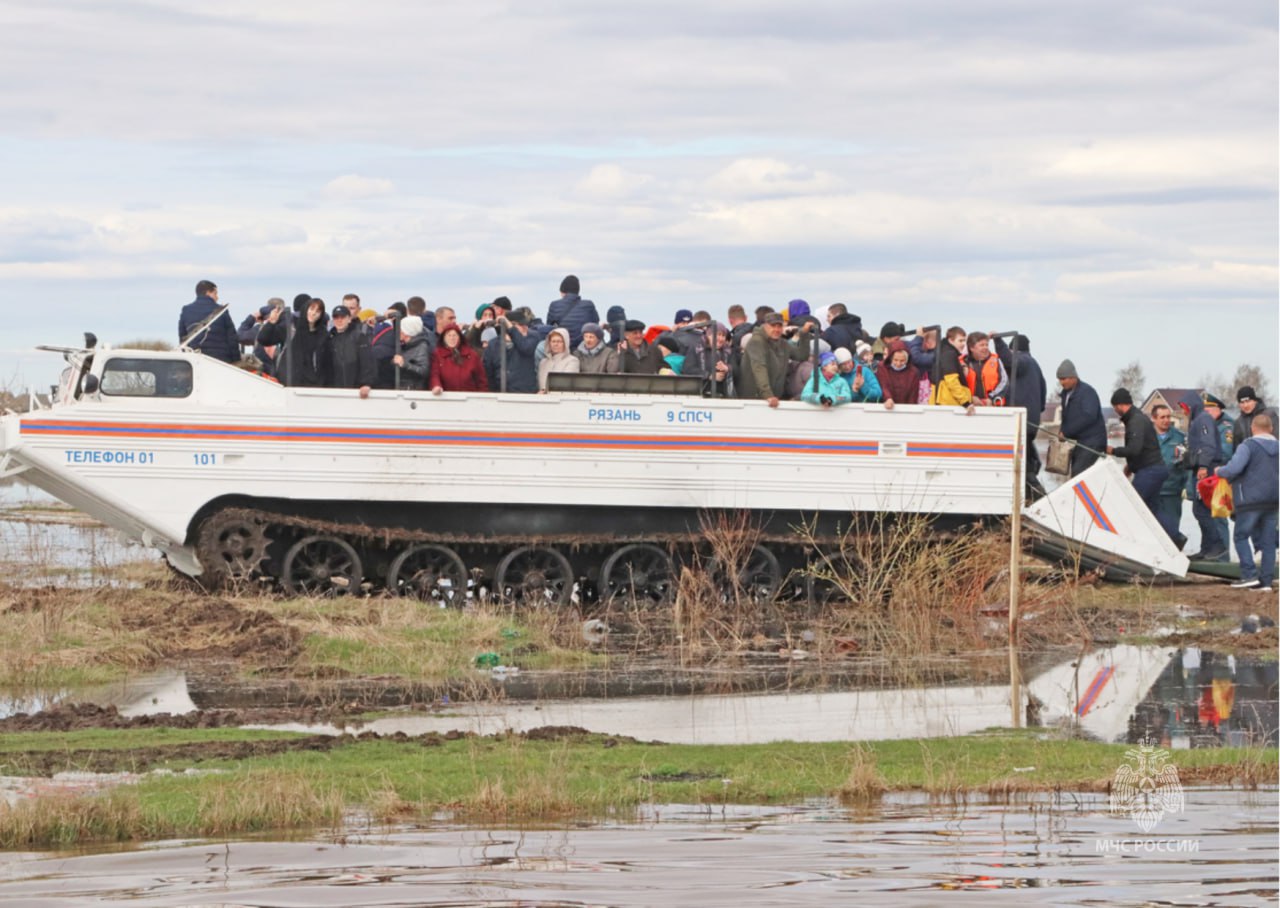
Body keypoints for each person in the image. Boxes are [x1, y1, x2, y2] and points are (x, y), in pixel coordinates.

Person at [1215, 413, 1278, 591]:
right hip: (1273, 500)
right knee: (1269, 542)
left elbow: (1234, 468)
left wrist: (1220, 471)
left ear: (1252, 428)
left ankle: (1249, 575)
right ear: (1271, 429)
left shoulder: (1248, 446)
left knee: (1241, 536)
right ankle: (1266, 582)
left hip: (1249, 500)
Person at [1107, 389, 1175, 539]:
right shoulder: (1137, 419)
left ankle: (1134, 540)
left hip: (1149, 471)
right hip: (1153, 469)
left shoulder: (1136, 421)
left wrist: (1112, 450)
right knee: (1152, 509)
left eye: (1114, 407)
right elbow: (1143, 448)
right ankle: (1175, 539)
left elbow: (1134, 449)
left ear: (1119, 405)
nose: (1115, 411)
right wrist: (1130, 467)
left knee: (1133, 505)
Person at [994, 334, 1048, 499]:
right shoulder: (1035, 366)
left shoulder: (1022, 361)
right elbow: (1043, 397)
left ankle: (1039, 496)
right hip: (1032, 421)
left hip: (1021, 422)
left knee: (1022, 463)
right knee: (1027, 458)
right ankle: (1029, 498)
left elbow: (1010, 361)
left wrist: (997, 340)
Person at [1184, 394, 1228, 561]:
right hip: (1202, 468)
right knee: (1201, 509)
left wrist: (1202, 466)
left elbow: (1209, 445)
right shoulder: (1198, 419)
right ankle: (1206, 548)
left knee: (1201, 510)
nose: (1183, 411)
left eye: (1184, 407)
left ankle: (1216, 545)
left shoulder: (1203, 420)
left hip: (1206, 470)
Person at [741, 313, 813, 407]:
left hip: (773, 400)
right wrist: (768, 395)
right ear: (765, 326)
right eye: (773, 326)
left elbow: (801, 356)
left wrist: (804, 333)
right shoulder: (756, 342)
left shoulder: (783, 344)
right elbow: (759, 368)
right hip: (754, 401)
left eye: (779, 326)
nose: (776, 329)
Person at [259, 297, 328, 387]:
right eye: (311, 309)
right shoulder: (291, 328)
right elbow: (264, 340)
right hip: (287, 383)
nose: (314, 313)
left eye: (318, 311)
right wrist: (271, 323)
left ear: (321, 315)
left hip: (312, 386)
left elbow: (326, 364)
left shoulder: (324, 335)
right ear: (306, 309)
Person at [1056, 359, 1106, 476]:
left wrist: (1067, 432)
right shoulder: (1066, 394)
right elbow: (1066, 417)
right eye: (1059, 379)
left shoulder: (1087, 392)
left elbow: (1089, 416)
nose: (1061, 382)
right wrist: (1062, 431)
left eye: (1064, 379)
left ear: (1073, 377)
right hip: (1081, 441)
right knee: (1076, 472)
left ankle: (1080, 494)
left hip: (1093, 441)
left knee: (1078, 474)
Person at [1152, 403, 1189, 550]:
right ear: (1154, 419)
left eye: (1168, 417)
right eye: (1162, 417)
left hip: (1172, 489)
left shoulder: (1179, 437)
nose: (1166, 420)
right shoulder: (1147, 437)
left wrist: (1186, 486)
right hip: (1152, 490)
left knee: (1172, 526)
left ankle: (1175, 551)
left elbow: (1186, 464)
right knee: (1153, 526)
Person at [178, 280, 238, 363]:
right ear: (208, 293)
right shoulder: (221, 311)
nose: (217, 297)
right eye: (215, 293)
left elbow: (183, 337)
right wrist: (236, 360)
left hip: (195, 358)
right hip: (220, 359)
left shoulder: (186, 310)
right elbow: (232, 338)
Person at [324, 304, 375, 397]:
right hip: (335, 391)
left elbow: (367, 361)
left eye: (342, 317)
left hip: (356, 391)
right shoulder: (329, 339)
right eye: (336, 317)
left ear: (349, 319)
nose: (339, 320)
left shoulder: (359, 336)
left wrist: (366, 383)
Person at [483, 310, 540, 393]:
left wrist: (512, 330)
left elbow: (525, 348)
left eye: (525, 325)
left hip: (525, 395)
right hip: (500, 395)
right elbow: (488, 371)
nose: (525, 327)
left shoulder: (532, 338)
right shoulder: (493, 345)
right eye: (520, 325)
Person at [545, 275, 599, 350]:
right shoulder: (589, 305)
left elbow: (549, 328)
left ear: (562, 291)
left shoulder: (554, 305)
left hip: (563, 348)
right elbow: (595, 325)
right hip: (582, 348)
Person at [430, 323, 487, 393]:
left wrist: (481, 397)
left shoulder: (471, 354)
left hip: (470, 398)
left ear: (459, 337)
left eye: (454, 335)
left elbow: (481, 379)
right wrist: (436, 386)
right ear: (444, 338)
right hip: (446, 399)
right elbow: (434, 374)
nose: (452, 338)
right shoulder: (437, 355)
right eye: (449, 335)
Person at [928, 327, 974, 411]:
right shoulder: (949, 354)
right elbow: (951, 381)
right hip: (948, 403)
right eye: (960, 341)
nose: (963, 344)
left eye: (964, 341)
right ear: (951, 340)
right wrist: (966, 402)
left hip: (943, 402)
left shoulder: (943, 351)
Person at [963, 333, 1008, 406]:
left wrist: (991, 398)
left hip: (992, 407)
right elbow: (956, 385)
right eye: (982, 345)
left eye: (986, 345)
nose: (985, 347)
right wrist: (970, 398)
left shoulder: (996, 360)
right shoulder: (962, 362)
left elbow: (1004, 382)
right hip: (968, 407)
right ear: (971, 348)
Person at [875, 339, 921, 411]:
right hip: (886, 408)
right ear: (891, 358)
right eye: (895, 360)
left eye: (902, 360)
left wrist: (910, 411)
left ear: (907, 360)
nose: (898, 364)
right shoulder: (882, 367)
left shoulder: (914, 372)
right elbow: (883, 385)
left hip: (906, 410)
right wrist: (888, 398)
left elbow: (913, 395)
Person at [390, 316, 431, 390]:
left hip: (413, 391)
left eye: (401, 329)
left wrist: (404, 364)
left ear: (407, 332)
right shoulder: (403, 346)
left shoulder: (421, 347)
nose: (398, 331)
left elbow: (424, 371)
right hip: (403, 389)